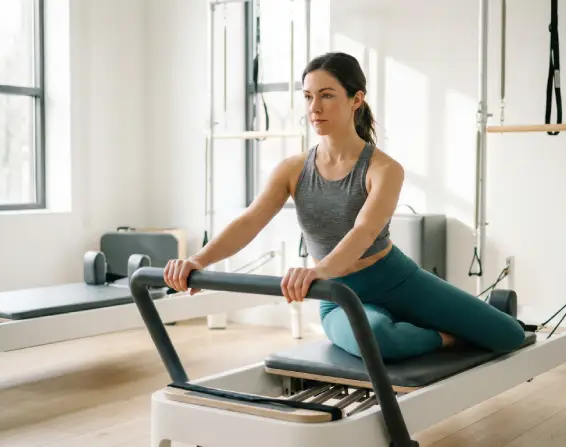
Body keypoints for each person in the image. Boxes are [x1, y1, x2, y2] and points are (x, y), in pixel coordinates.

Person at [164, 52, 526, 361]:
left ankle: (454, 319)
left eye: (326, 95)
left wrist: (317, 270)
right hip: (338, 295)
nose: (314, 107)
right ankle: (448, 336)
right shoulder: (292, 169)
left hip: (396, 279)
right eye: (307, 96)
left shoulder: (384, 169)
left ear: (356, 99)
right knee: (378, 339)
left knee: (509, 335)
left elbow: (364, 231)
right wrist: (199, 260)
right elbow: (249, 221)